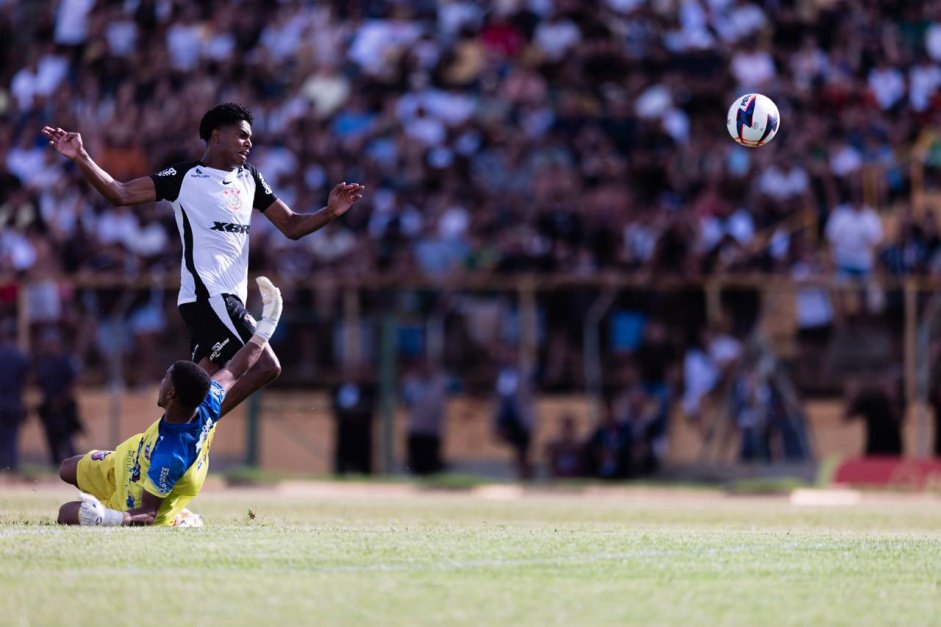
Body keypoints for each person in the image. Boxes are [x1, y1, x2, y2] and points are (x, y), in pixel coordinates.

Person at [41, 104, 364, 416]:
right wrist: (81, 156)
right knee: (265, 366)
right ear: (216, 135)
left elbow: (291, 225)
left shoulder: (250, 177)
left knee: (188, 393)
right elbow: (120, 193)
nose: (249, 142)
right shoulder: (185, 177)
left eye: (250, 136)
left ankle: (157, 454)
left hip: (225, 301)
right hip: (207, 296)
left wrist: (330, 212)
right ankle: (195, 428)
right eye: (241, 135)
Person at [55, 276, 282, 526]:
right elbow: (238, 366)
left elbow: (149, 512)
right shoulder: (208, 400)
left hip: (131, 494)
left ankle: (177, 517)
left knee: (65, 513)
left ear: (172, 394)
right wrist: (267, 323)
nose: (160, 382)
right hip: (129, 458)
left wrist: (108, 517)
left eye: (165, 378)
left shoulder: (171, 454)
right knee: (66, 468)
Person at [35, 328, 83, 465]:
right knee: (51, 439)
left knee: (67, 439)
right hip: (49, 406)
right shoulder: (44, 361)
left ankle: (74, 466)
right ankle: (55, 465)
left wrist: (63, 399)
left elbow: (75, 381)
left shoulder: (67, 360)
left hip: (64, 407)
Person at [0, 320, 30, 472]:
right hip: (13, 400)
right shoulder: (20, 355)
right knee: (11, 438)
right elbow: (27, 380)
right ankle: (10, 467)